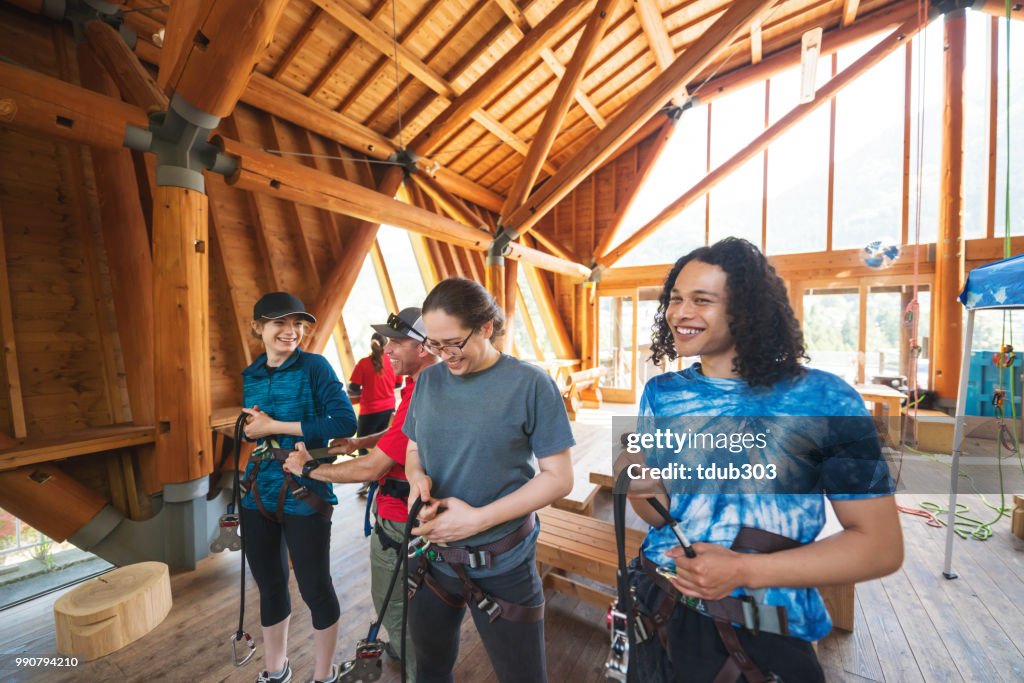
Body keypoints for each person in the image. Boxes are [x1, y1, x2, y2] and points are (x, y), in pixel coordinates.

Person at [624, 238, 903, 682]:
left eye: (702, 300)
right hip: (660, 604)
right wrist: (637, 474)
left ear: (748, 311)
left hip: (765, 625)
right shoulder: (662, 393)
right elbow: (659, 516)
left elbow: (880, 546)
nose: (679, 312)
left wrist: (743, 570)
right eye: (675, 299)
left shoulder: (824, 398)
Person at [401, 277, 576, 683]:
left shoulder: (529, 384)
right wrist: (416, 477)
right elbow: (414, 448)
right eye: (433, 344)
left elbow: (559, 478)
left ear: (485, 327)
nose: (443, 355)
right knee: (429, 670)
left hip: (504, 563)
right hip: (431, 557)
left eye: (452, 343)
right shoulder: (428, 381)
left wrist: (477, 519)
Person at [285, 307, 436, 682]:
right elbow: (394, 438)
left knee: (397, 606)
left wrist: (308, 468)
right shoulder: (424, 385)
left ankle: (416, 667)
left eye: (398, 343)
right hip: (406, 513)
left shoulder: (424, 393)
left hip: (401, 519)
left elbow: (373, 469)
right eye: (387, 342)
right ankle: (408, 654)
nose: (388, 351)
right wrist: (357, 441)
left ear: (425, 347)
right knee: (407, 606)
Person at [240, 292, 357, 683]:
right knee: (270, 586)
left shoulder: (314, 367)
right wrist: (251, 429)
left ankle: (323, 676)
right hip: (257, 493)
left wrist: (274, 427)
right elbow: (256, 430)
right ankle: (277, 670)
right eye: (279, 323)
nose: (291, 332)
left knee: (314, 588)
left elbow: (343, 422)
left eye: (297, 324)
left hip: (304, 493)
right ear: (258, 327)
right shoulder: (252, 374)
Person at [348, 332, 399, 496]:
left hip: (370, 410)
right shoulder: (391, 361)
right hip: (389, 407)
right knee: (384, 443)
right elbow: (398, 383)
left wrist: (367, 390)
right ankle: (384, 476)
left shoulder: (363, 364)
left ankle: (367, 480)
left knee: (361, 444)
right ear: (385, 345)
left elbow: (353, 389)